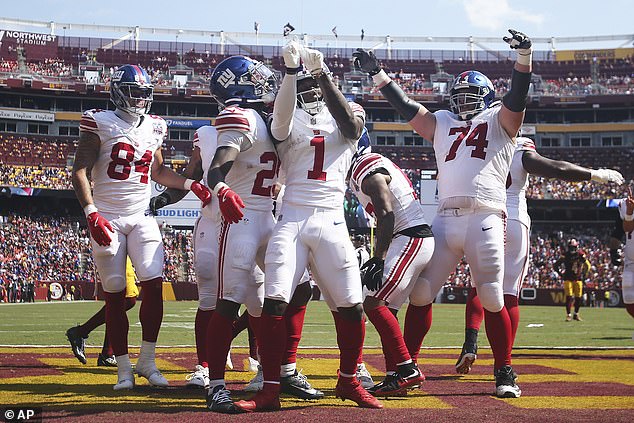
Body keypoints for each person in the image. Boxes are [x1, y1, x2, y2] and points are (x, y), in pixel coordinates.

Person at [353, 28, 534, 398]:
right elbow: (406, 107)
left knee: (492, 296)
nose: (463, 102)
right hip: (445, 218)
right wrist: (379, 75)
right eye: (459, 96)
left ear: (485, 98)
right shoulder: (443, 123)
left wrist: (523, 57)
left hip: (485, 215)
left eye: (470, 96)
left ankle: (504, 372)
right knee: (421, 294)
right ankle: (408, 367)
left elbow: (517, 95)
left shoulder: (501, 121)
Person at [234, 41, 382, 412]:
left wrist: (322, 75)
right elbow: (281, 128)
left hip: (332, 220)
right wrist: (291, 72)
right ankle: (270, 388)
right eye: (305, 86)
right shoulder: (285, 116)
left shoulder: (349, 111)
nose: (311, 92)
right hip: (294, 217)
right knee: (275, 302)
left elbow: (349, 127)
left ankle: (348, 381)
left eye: (315, 85)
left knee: (351, 306)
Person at [72, 64, 212, 390]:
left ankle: (147, 360)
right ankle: (123, 368)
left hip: (141, 214)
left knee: (153, 282)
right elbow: (80, 171)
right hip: (107, 215)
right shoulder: (100, 122)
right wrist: (91, 213)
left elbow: (159, 174)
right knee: (116, 291)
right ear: (118, 92)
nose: (138, 99)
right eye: (133, 92)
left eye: (143, 93)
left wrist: (192, 184)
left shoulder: (155, 126)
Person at [454, 136, 624, 374]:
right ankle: (503, 364)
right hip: (513, 218)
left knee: (478, 286)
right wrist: (594, 174)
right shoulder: (519, 146)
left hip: (483, 220)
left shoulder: (477, 144)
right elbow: (556, 169)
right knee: (509, 294)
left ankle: (470, 342)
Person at [348, 147, 434, 397]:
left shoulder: (366, 165)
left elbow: (387, 215)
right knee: (388, 310)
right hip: (408, 237)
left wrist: (378, 258)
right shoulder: (368, 164)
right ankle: (394, 375)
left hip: (409, 238)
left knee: (372, 303)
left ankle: (408, 369)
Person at [66, 257, 139, 367]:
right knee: (127, 300)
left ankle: (107, 353)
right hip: (114, 249)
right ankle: (82, 332)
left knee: (119, 302)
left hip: (120, 250)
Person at [553, 238, 591, 322]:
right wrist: (560, 274)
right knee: (569, 297)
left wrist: (584, 274)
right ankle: (568, 315)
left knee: (578, 298)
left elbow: (588, 265)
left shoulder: (580, 254)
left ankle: (576, 314)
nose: (572, 249)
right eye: (571, 247)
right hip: (568, 278)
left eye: (573, 247)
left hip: (578, 279)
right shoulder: (565, 255)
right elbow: (555, 265)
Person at [617, 190, 634, 333]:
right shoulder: (625, 203)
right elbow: (627, 229)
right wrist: (629, 212)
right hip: (631, 261)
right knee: (629, 301)